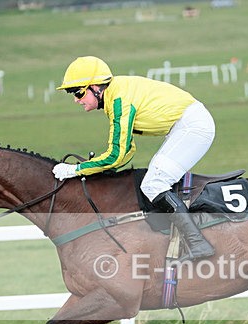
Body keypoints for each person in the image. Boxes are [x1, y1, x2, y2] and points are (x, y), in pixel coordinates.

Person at [53, 56, 216, 261]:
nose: (76, 99)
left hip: (193, 127)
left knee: (154, 183)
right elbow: (127, 150)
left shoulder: (119, 100)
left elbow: (116, 155)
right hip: (184, 126)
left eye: (78, 92)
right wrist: (98, 169)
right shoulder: (114, 98)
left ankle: (198, 243)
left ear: (95, 87)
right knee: (153, 180)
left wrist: (75, 170)